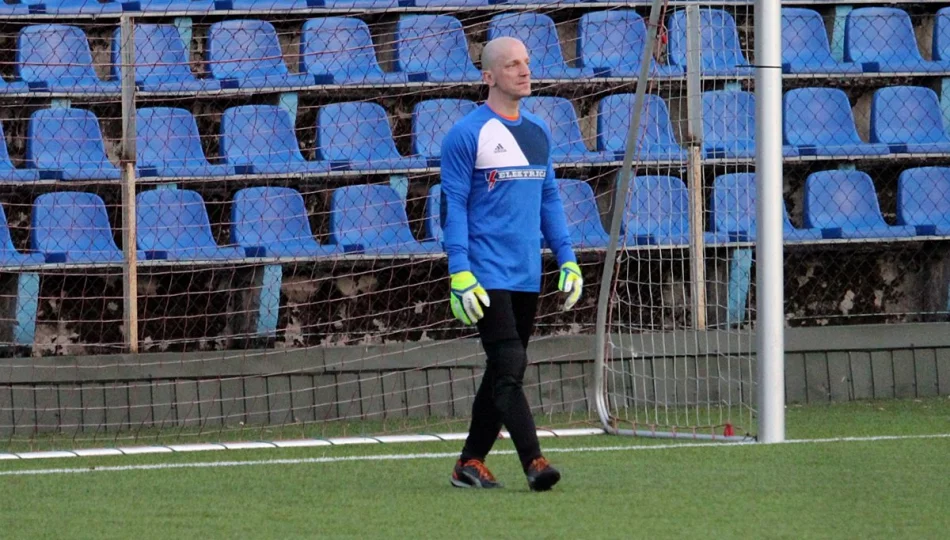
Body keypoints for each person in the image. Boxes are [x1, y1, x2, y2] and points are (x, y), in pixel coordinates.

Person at [440, 36, 583, 491]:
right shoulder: (467, 134)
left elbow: (549, 199)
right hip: (484, 272)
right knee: (509, 359)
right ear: (488, 76)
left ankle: (469, 462)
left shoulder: (538, 132)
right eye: (511, 65)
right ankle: (535, 462)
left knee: (506, 369)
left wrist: (567, 258)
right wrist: (459, 271)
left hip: (526, 272)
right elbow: (454, 205)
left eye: (526, 62)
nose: (524, 71)